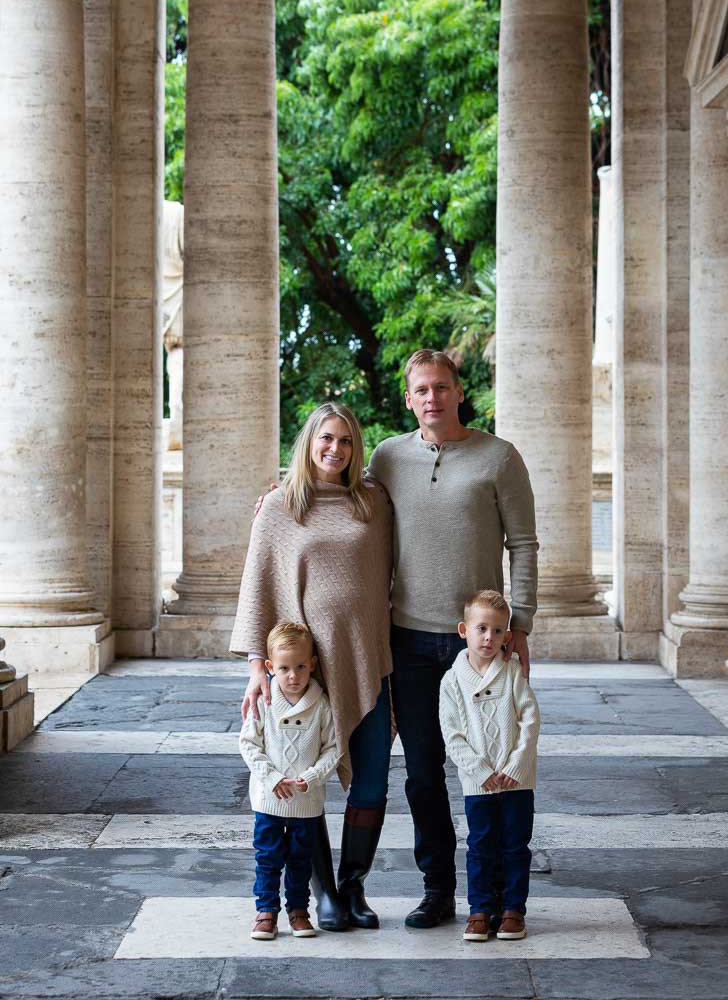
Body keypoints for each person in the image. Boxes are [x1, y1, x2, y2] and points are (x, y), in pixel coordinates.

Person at [368, 348, 538, 929]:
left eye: (442, 386)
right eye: (421, 389)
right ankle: (438, 888)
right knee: (422, 773)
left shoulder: (498, 457)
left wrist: (522, 624)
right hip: (409, 640)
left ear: (458, 391)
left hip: (482, 648)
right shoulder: (387, 458)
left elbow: (524, 544)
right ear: (408, 399)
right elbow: (347, 507)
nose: (432, 397)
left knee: (494, 768)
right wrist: (284, 496)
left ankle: (496, 894)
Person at [230, 402, 393, 932]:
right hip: (304, 673)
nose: (335, 449)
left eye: (346, 441)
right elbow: (258, 584)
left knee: (370, 783)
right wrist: (259, 665)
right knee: (305, 782)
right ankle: (323, 896)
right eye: (327, 438)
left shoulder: (374, 502)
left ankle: (353, 888)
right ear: (309, 442)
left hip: (366, 659)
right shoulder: (279, 507)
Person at [439, 590, 540, 942]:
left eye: (498, 631)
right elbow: (452, 735)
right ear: (464, 630)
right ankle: (480, 909)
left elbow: (530, 721)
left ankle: (513, 909)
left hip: (517, 780)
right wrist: (481, 771)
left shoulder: (512, 673)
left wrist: (515, 765)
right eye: (482, 629)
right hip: (478, 782)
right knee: (480, 845)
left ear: (508, 636)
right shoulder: (452, 681)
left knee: (515, 844)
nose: (489, 638)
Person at [240, 621, 339, 940]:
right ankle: (266, 911)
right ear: (270, 667)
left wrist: (311, 776)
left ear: (312, 664)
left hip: (305, 802)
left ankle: (299, 911)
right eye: (284, 668)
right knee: (268, 858)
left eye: (300, 667)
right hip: (269, 800)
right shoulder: (263, 702)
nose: (293, 676)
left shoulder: (321, 705)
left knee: (300, 860)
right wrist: (271, 778)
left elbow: (333, 747)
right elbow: (248, 744)